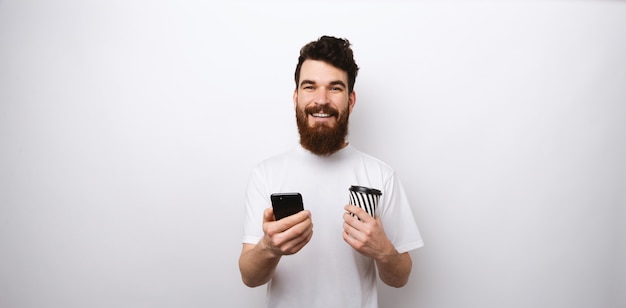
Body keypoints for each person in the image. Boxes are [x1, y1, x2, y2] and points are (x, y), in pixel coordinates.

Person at [239, 35, 424, 308]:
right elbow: (250, 277)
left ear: (351, 100)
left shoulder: (380, 175)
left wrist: (383, 250)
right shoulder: (265, 174)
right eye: (310, 87)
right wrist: (270, 247)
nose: (321, 100)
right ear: (296, 97)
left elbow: (400, 277)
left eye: (335, 88)